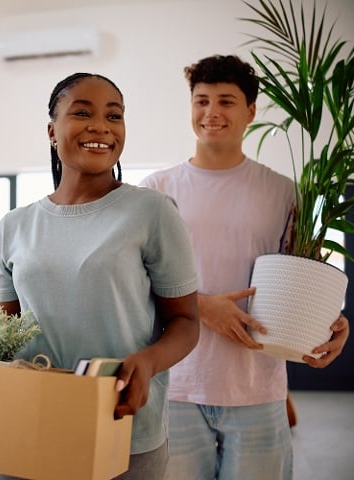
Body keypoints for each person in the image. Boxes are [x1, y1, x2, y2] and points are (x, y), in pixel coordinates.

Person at [0, 72, 201, 480]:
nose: (101, 126)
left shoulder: (152, 212)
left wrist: (148, 362)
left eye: (114, 116)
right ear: (52, 130)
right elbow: (11, 330)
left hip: (121, 430)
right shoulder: (13, 226)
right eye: (82, 112)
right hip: (24, 424)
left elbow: (186, 322)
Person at [140, 54, 350, 480]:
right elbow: (133, 281)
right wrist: (202, 307)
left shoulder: (284, 192)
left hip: (258, 388)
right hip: (177, 386)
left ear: (251, 111)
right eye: (201, 101)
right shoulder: (156, 190)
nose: (211, 113)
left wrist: (329, 322)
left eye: (226, 101)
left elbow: (301, 280)